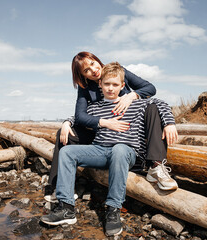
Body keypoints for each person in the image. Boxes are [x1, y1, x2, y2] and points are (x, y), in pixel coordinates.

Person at [41, 62, 177, 236]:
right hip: (101, 151)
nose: (111, 88)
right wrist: (67, 123)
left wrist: (169, 123)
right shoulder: (96, 107)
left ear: (122, 85)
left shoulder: (136, 104)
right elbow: (79, 116)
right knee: (67, 152)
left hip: (126, 152)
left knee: (119, 149)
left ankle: (113, 209)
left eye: (115, 85)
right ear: (100, 85)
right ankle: (66, 207)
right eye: (107, 84)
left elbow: (160, 103)